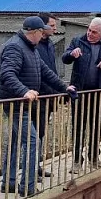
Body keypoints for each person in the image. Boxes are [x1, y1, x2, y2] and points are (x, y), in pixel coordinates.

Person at [0, 16, 75, 197]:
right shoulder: (15, 47)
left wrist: (64, 87)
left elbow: (46, 72)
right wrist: (24, 91)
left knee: (16, 141)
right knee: (32, 141)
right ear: (34, 32)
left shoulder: (31, 48)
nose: (43, 35)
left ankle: (8, 183)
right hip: (16, 103)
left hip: (23, 103)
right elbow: (7, 74)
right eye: (42, 31)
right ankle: (27, 186)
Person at [62, 17, 101, 172]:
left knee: (96, 126)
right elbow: (65, 58)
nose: (89, 33)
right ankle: (77, 160)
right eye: (89, 29)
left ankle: (94, 157)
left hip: (98, 93)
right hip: (79, 92)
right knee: (78, 127)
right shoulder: (78, 41)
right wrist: (71, 54)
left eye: (94, 32)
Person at [34, 12, 60, 181]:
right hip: (38, 96)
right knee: (33, 134)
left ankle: (37, 166)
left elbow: (52, 71)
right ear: (42, 27)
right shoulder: (35, 46)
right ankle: (31, 169)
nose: (55, 28)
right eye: (52, 25)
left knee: (41, 133)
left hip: (49, 96)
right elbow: (39, 74)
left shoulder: (49, 44)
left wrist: (58, 91)